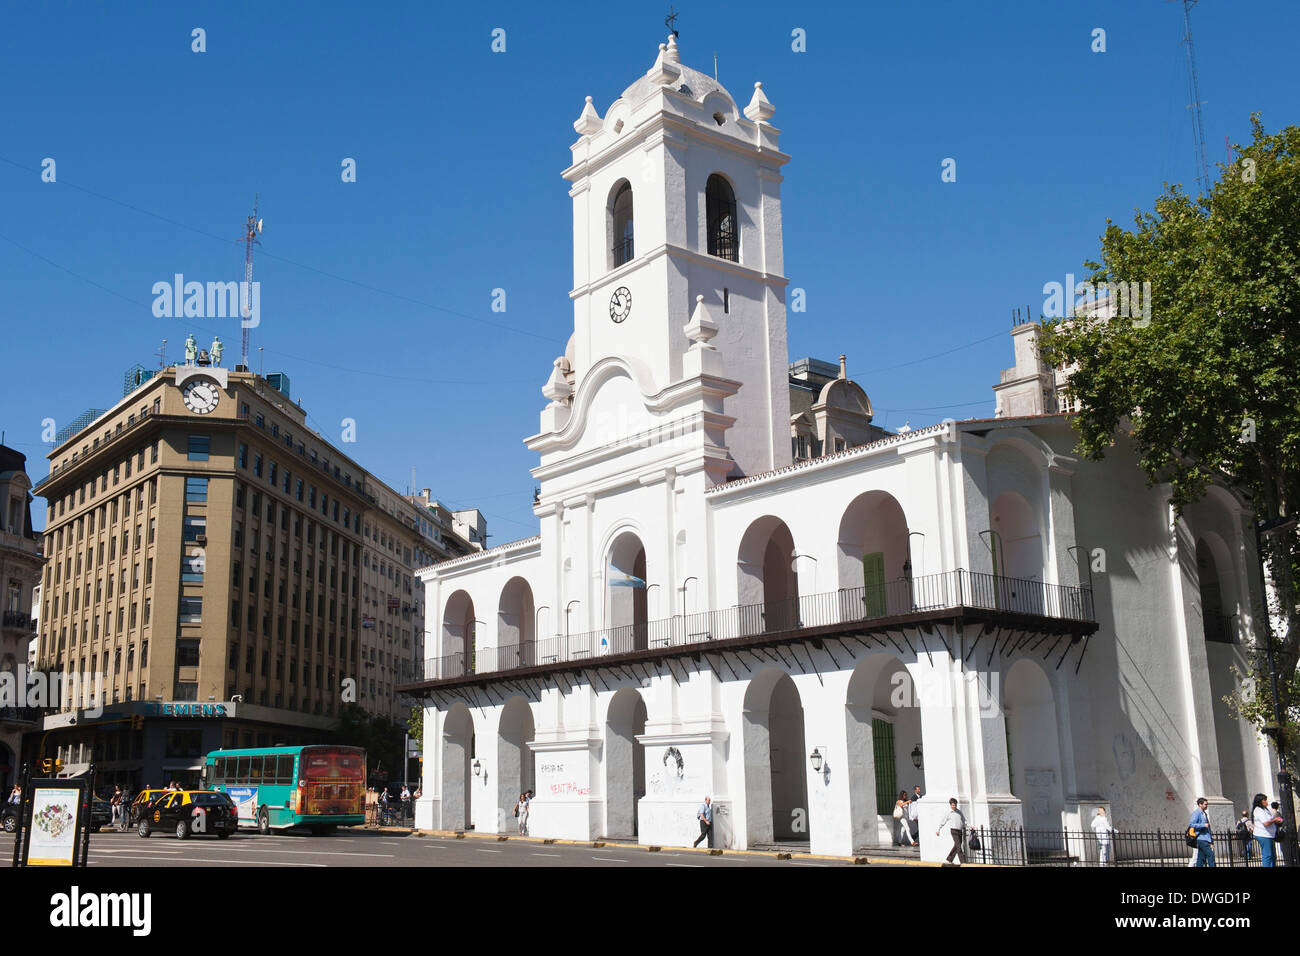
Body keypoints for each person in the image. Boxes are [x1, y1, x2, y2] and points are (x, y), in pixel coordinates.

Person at [1252, 793, 1283, 867]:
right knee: (1267, 855)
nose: (1267, 801)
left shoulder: (1265, 810)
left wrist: (1278, 820)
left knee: (1272, 855)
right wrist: (1275, 820)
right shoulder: (1258, 810)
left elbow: (1270, 819)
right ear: (1260, 801)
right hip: (1264, 835)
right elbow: (1265, 823)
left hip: (1269, 835)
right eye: (1265, 800)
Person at [936, 797, 967, 865]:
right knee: (959, 847)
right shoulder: (949, 813)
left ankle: (950, 858)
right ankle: (963, 862)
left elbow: (964, 820)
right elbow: (943, 821)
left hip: (960, 831)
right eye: (953, 805)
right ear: (950, 805)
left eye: (955, 805)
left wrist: (970, 826)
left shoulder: (959, 812)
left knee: (957, 845)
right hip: (954, 831)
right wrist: (938, 829)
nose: (954, 806)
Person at [1189, 796, 1214, 866]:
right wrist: (1203, 825)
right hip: (1201, 838)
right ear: (1200, 804)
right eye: (1205, 804)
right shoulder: (1196, 813)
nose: (1206, 806)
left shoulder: (1204, 813)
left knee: (1201, 858)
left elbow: (1208, 828)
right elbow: (1192, 824)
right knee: (1210, 854)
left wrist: (1211, 840)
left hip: (1206, 838)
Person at [1270, 801, 1291, 867]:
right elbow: (1281, 821)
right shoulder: (1277, 813)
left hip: (1270, 831)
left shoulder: (1269, 812)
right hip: (1276, 831)